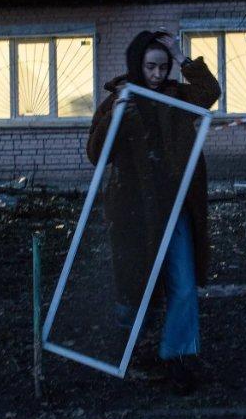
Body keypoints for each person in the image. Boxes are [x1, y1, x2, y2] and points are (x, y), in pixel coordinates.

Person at [86, 30, 220, 395]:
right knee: (135, 285)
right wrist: (116, 116)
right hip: (134, 211)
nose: (157, 74)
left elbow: (210, 91)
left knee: (184, 282)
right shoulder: (120, 98)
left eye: (162, 67)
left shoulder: (177, 95)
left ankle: (178, 356)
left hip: (175, 206)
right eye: (150, 67)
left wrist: (179, 54)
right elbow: (96, 154)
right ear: (137, 64)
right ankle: (131, 352)